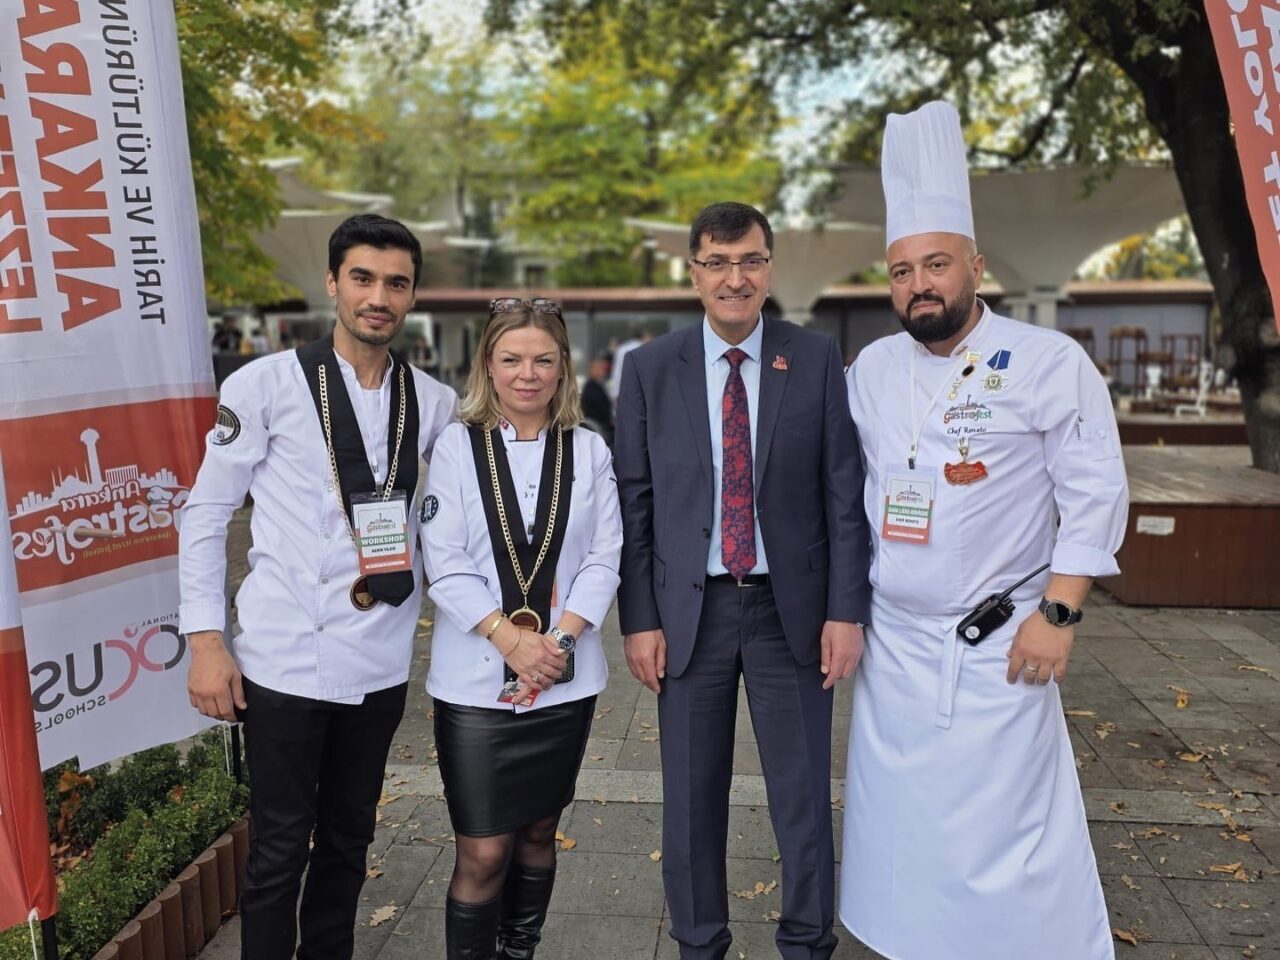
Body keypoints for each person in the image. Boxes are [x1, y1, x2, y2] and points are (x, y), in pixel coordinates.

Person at [839, 102, 1128, 960]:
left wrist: (1060, 613)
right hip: (894, 645)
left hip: (1002, 639)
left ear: (976, 265)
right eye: (901, 271)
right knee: (902, 828)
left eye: (936, 264)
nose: (918, 284)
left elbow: (1095, 492)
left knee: (1010, 834)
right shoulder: (872, 369)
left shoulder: (1048, 361)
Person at [179, 213, 458, 960]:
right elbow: (206, 513)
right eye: (362, 278)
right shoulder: (264, 384)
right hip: (283, 660)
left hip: (380, 657)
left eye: (396, 283)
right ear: (332, 282)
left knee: (349, 838)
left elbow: (462, 512)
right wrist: (205, 642)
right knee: (277, 850)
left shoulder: (433, 402)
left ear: (412, 296)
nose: (378, 297)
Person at [613, 201, 872, 960]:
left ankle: (807, 942)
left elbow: (843, 494)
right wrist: (639, 619)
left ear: (769, 267)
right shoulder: (650, 369)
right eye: (718, 263)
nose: (735, 278)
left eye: (750, 261)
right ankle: (699, 944)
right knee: (691, 799)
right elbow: (635, 503)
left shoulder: (815, 358)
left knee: (803, 798)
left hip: (792, 614)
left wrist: (846, 610)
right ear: (694, 273)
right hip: (687, 617)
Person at [421, 297, 622, 960]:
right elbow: (443, 558)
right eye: (511, 359)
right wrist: (510, 639)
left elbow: (605, 556)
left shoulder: (588, 449)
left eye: (543, 360)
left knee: (538, 833)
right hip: (475, 682)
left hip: (562, 679)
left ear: (563, 368)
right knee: (483, 851)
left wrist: (556, 644)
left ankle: (519, 951)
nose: (527, 374)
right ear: (488, 365)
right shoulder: (457, 446)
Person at [607, 326, 651, 401]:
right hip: (640, 391)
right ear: (642, 336)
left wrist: (614, 393)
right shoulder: (644, 348)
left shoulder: (622, 348)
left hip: (623, 390)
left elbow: (617, 372)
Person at [579, 354, 614, 445]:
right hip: (596, 426)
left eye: (602, 368)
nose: (602, 371)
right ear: (591, 370)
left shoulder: (599, 386)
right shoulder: (591, 388)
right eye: (599, 368)